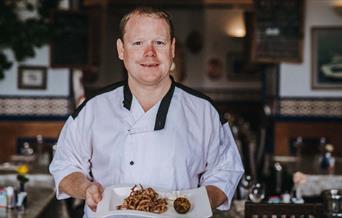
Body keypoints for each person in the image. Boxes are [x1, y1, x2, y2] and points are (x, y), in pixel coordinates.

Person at [49, 7, 244, 218]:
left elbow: (225, 172)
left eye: (159, 43)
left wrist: (194, 204)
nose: (149, 53)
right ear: (121, 50)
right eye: (138, 43)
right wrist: (86, 188)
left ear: (172, 49)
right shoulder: (93, 108)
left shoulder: (204, 111)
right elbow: (65, 166)